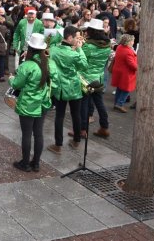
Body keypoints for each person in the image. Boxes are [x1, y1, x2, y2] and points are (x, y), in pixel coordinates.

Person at [9, 33, 52, 172]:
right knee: (38, 133)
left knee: (27, 134)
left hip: (28, 103)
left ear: (30, 47)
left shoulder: (27, 65)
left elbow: (16, 84)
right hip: (43, 102)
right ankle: (36, 163)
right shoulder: (46, 62)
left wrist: (11, 78)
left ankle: (25, 163)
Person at [47, 26, 87, 154]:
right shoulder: (74, 53)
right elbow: (84, 66)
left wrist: (74, 47)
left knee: (60, 116)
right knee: (76, 114)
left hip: (60, 88)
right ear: (70, 38)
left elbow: (51, 47)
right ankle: (76, 141)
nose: (78, 39)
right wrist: (79, 49)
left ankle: (58, 145)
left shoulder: (53, 50)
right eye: (76, 37)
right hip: (74, 86)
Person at [78, 19, 111, 138]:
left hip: (86, 79)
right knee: (100, 103)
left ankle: (82, 130)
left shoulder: (89, 46)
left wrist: (79, 47)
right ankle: (104, 127)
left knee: (84, 105)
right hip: (99, 78)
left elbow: (80, 60)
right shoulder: (107, 45)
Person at [111, 34, 137, 113]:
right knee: (126, 90)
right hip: (126, 73)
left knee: (119, 88)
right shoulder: (128, 51)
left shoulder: (119, 47)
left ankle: (116, 103)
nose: (133, 42)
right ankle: (119, 104)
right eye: (132, 41)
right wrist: (138, 67)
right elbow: (132, 64)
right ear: (128, 42)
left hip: (119, 71)